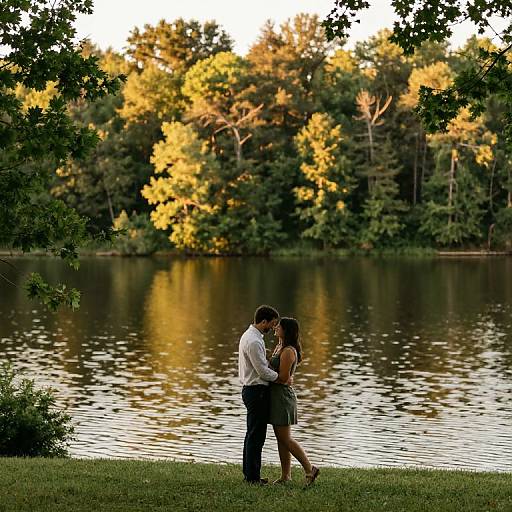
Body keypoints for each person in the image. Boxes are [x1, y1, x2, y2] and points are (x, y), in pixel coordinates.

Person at [238, 305, 290, 484]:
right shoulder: (253, 341)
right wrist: (283, 379)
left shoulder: (251, 336)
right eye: (272, 324)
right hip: (256, 391)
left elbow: (260, 365)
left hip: (252, 390)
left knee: (252, 434)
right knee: (256, 435)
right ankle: (252, 478)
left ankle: (250, 475)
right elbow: (262, 372)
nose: (273, 328)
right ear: (264, 322)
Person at [269, 317, 320, 486]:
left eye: (279, 326)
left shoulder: (289, 351)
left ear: (286, 330)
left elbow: (283, 378)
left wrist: (264, 376)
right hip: (276, 396)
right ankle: (286, 476)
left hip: (283, 398)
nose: (275, 327)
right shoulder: (279, 347)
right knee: (281, 438)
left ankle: (309, 469)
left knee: (286, 439)